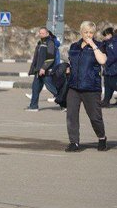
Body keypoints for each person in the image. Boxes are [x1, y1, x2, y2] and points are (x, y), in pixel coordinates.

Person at [65, 21, 108, 152]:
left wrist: (93, 45)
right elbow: (71, 62)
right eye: (86, 32)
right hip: (74, 87)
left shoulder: (100, 45)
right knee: (71, 116)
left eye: (91, 32)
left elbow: (102, 61)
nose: (88, 34)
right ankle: (74, 142)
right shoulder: (74, 46)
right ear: (81, 31)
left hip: (91, 88)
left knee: (95, 117)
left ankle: (101, 138)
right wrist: (67, 68)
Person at [25, 27, 58, 111]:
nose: (41, 34)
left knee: (51, 88)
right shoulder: (40, 43)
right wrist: (33, 69)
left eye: (43, 33)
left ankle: (66, 103)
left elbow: (51, 57)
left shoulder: (50, 42)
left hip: (46, 71)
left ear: (47, 33)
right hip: (38, 71)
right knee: (35, 88)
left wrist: (44, 68)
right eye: (40, 33)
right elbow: (37, 58)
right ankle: (33, 106)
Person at [100, 27, 116, 107]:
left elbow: (114, 55)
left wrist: (106, 62)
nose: (104, 37)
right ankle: (106, 101)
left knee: (113, 84)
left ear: (110, 34)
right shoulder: (106, 42)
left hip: (113, 68)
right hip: (108, 69)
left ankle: (106, 101)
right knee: (107, 84)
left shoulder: (113, 42)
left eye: (105, 35)